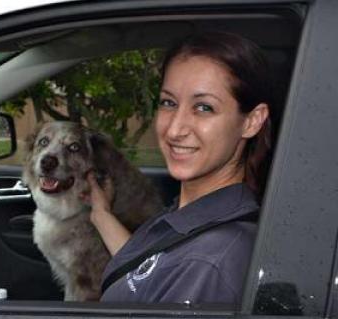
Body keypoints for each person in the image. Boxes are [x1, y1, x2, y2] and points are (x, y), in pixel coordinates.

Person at [86, 31, 274, 305]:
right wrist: (100, 214)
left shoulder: (209, 264)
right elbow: (148, 272)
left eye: (204, 108)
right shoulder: (198, 215)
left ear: (252, 121)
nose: (174, 129)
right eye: (168, 103)